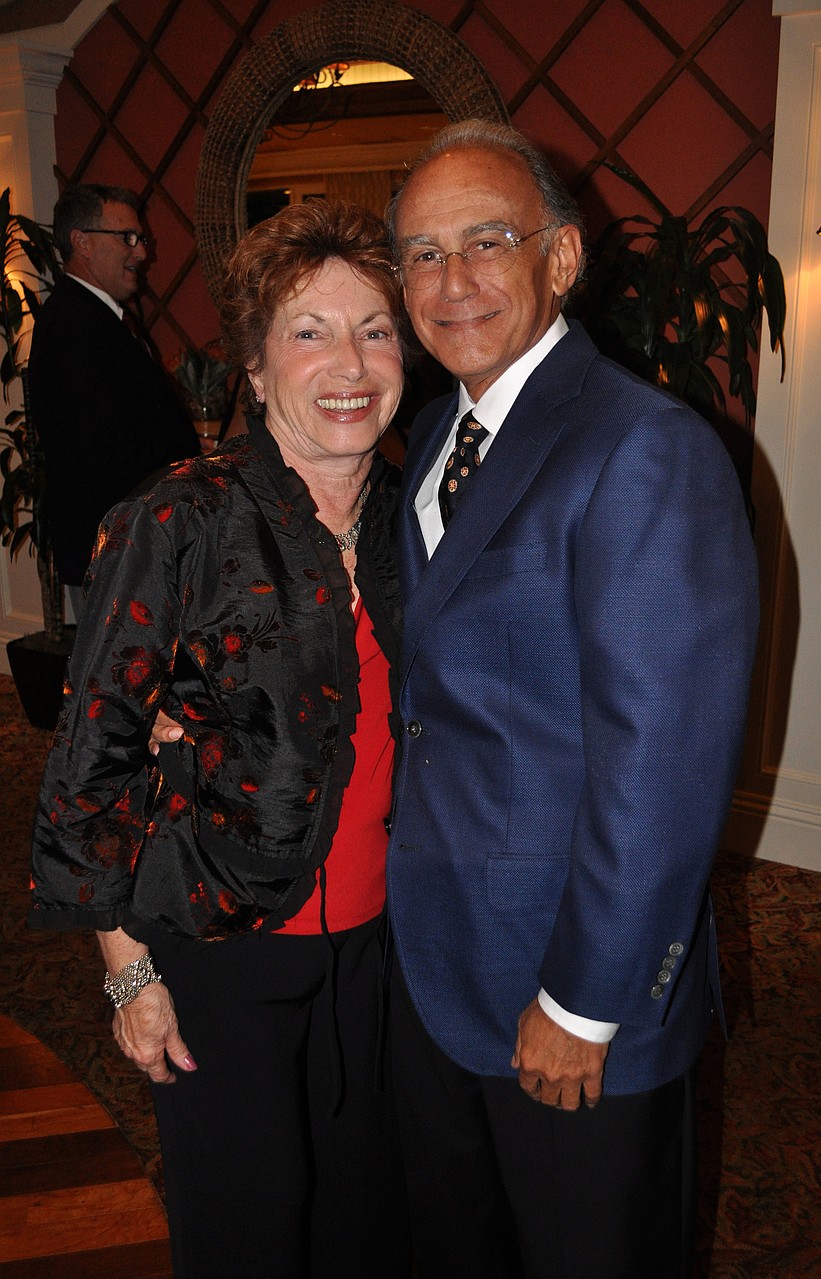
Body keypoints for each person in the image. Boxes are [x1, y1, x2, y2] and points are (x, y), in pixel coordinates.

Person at [383, 119, 760, 1279]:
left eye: (485, 241)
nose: (450, 282)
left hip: (566, 988)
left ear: (559, 258)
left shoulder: (642, 448)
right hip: (440, 965)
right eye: (420, 254)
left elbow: (663, 761)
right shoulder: (441, 430)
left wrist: (586, 1000)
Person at [29, 201, 410, 1279]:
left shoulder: (415, 518)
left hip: (384, 952)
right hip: (221, 946)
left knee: (364, 1222)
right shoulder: (180, 519)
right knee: (247, 1229)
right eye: (309, 330)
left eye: (375, 329)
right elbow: (87, 760)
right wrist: (125, 973)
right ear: (250, 366)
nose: (349, 362)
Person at [27, 183, 199, 614]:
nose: (141, 253)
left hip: (132, 547)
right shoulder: (73, 326)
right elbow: (105, 452)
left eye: (140, 239)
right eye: (127, 238)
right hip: (119, 552)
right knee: (125, 677)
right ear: (81, 242)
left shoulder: (96, 317)